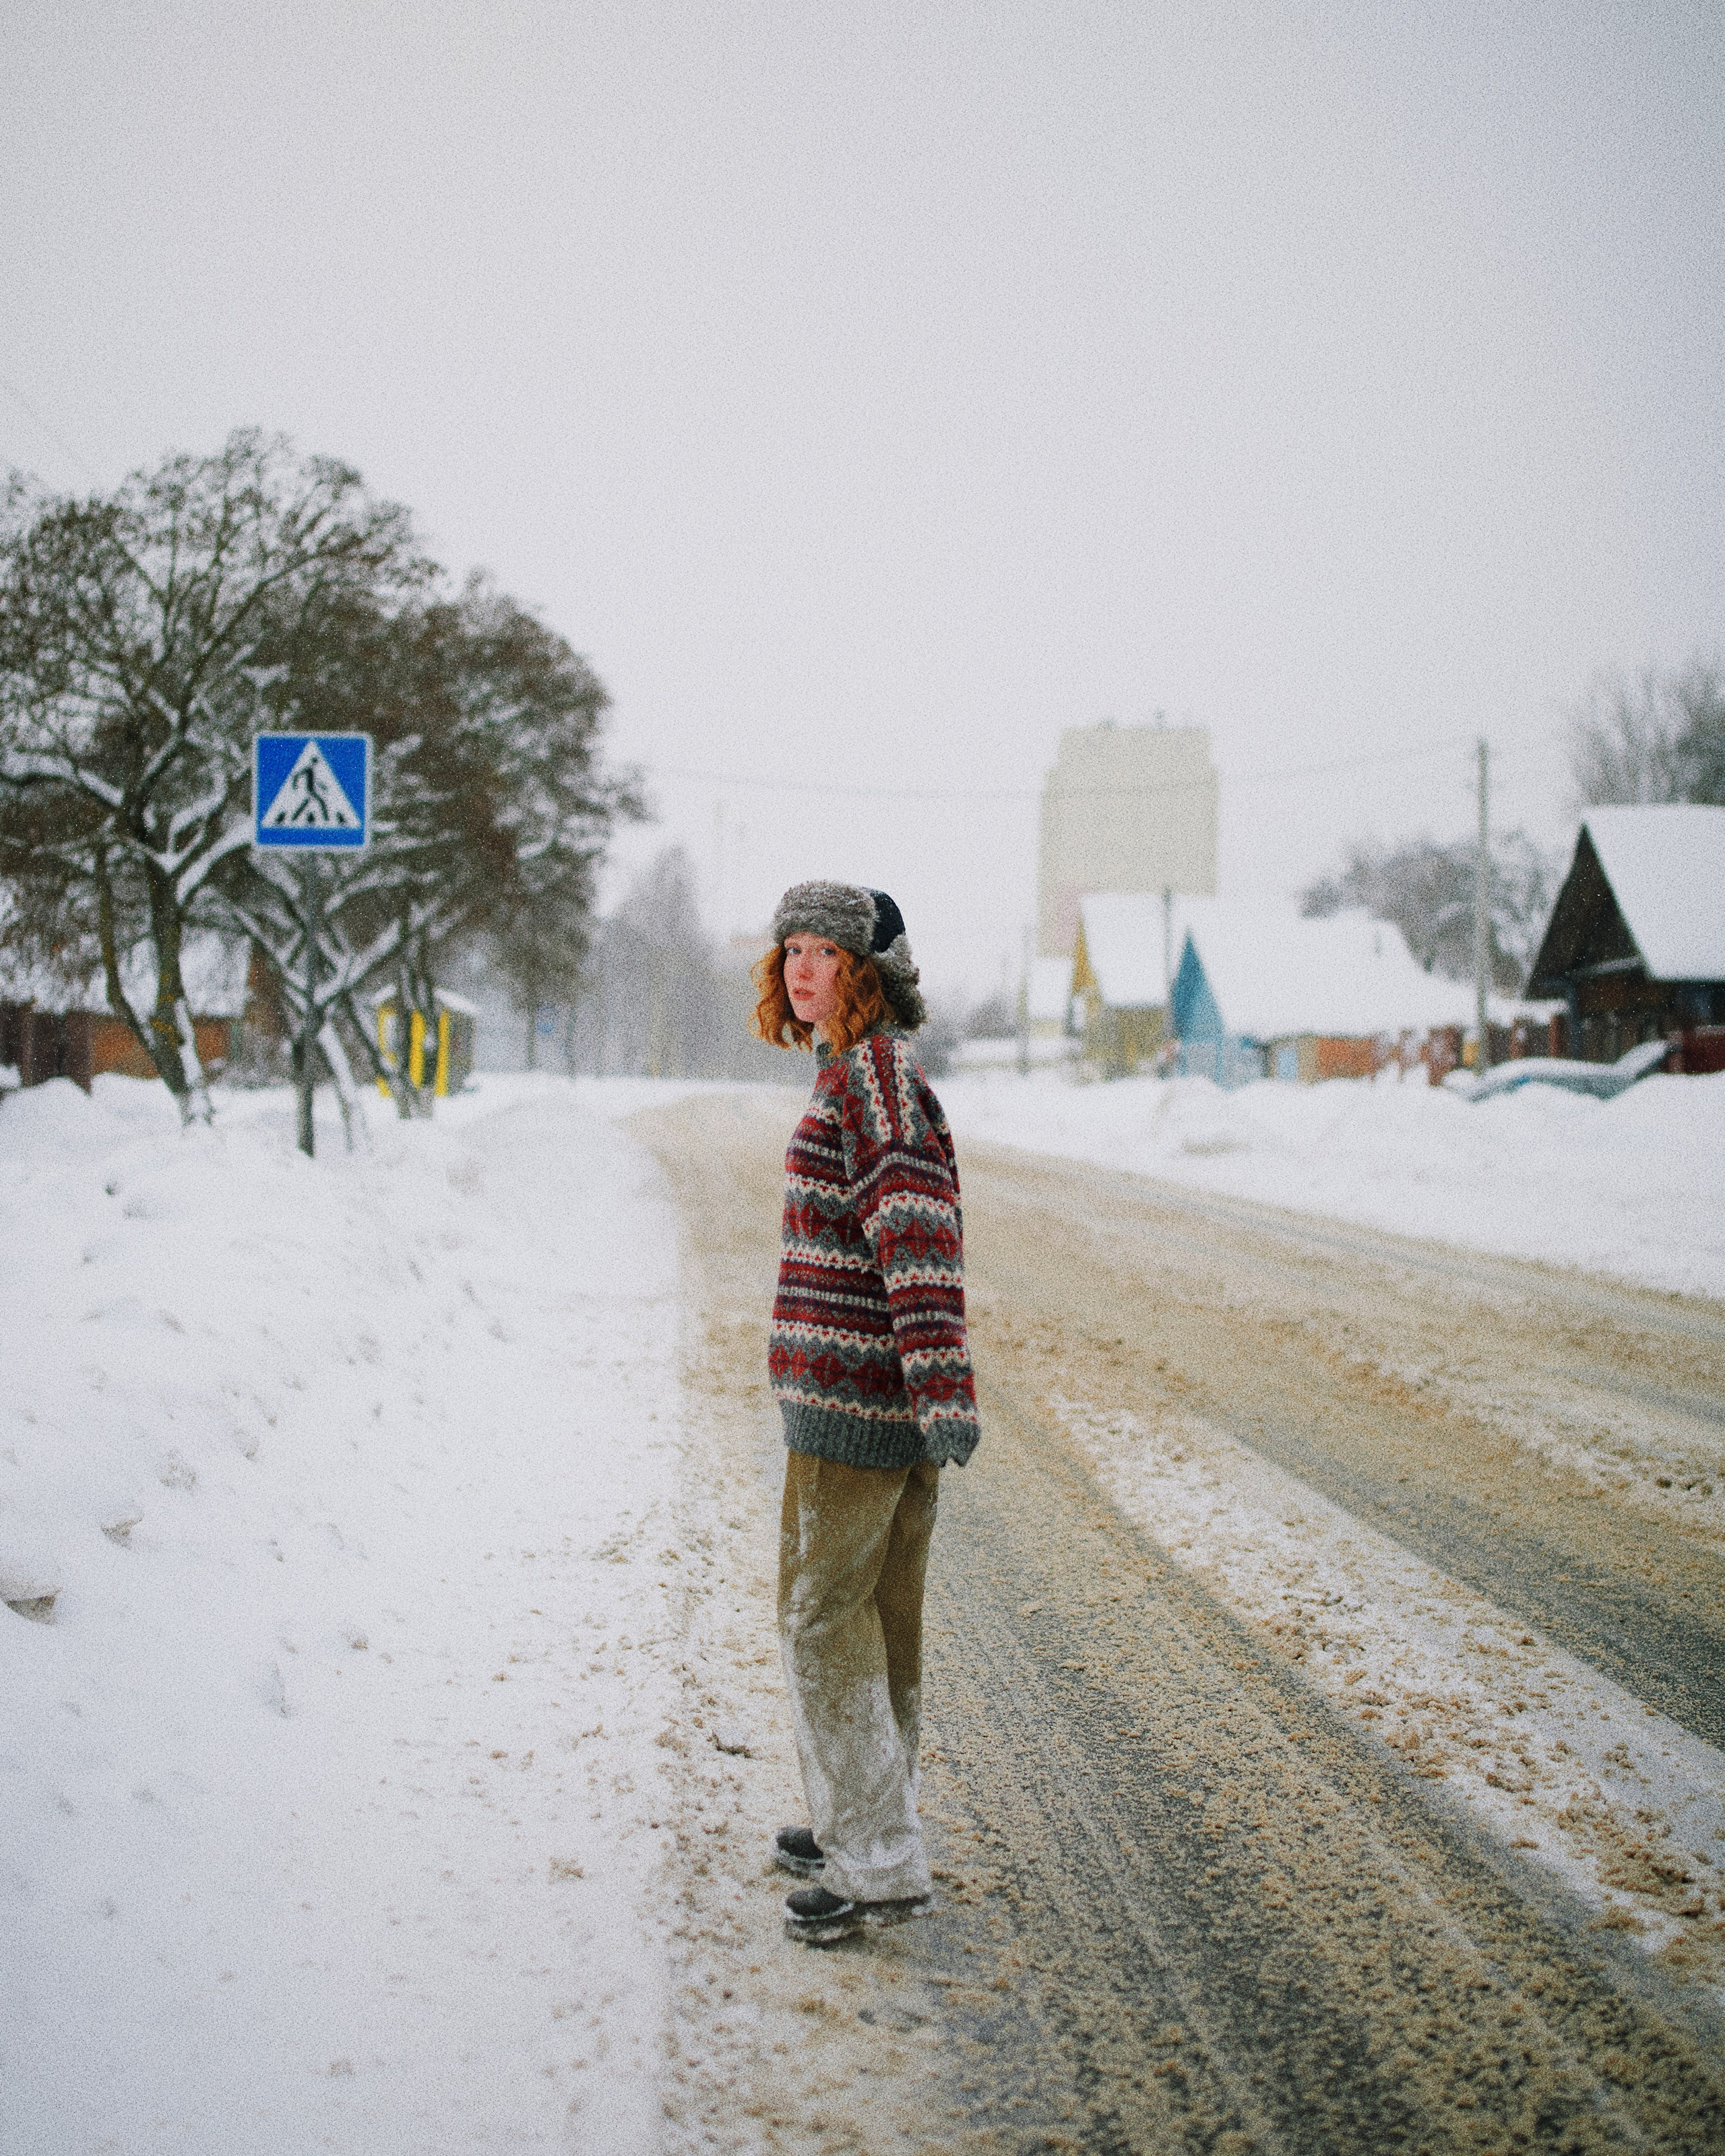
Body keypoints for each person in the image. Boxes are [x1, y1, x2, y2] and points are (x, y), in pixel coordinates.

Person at [751, 881, 981, 1946]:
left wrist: (940, 1387)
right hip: (845, 1395)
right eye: (791, 947)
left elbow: (915, 1229)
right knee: (876, 1615)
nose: (802, 967)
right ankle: (867, 1819)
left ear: (868, 972)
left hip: (858, 1400)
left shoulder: (875, 1074)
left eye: (826, 952)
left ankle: (874, 1856)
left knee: (819, 1616)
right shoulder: (854, 1072)